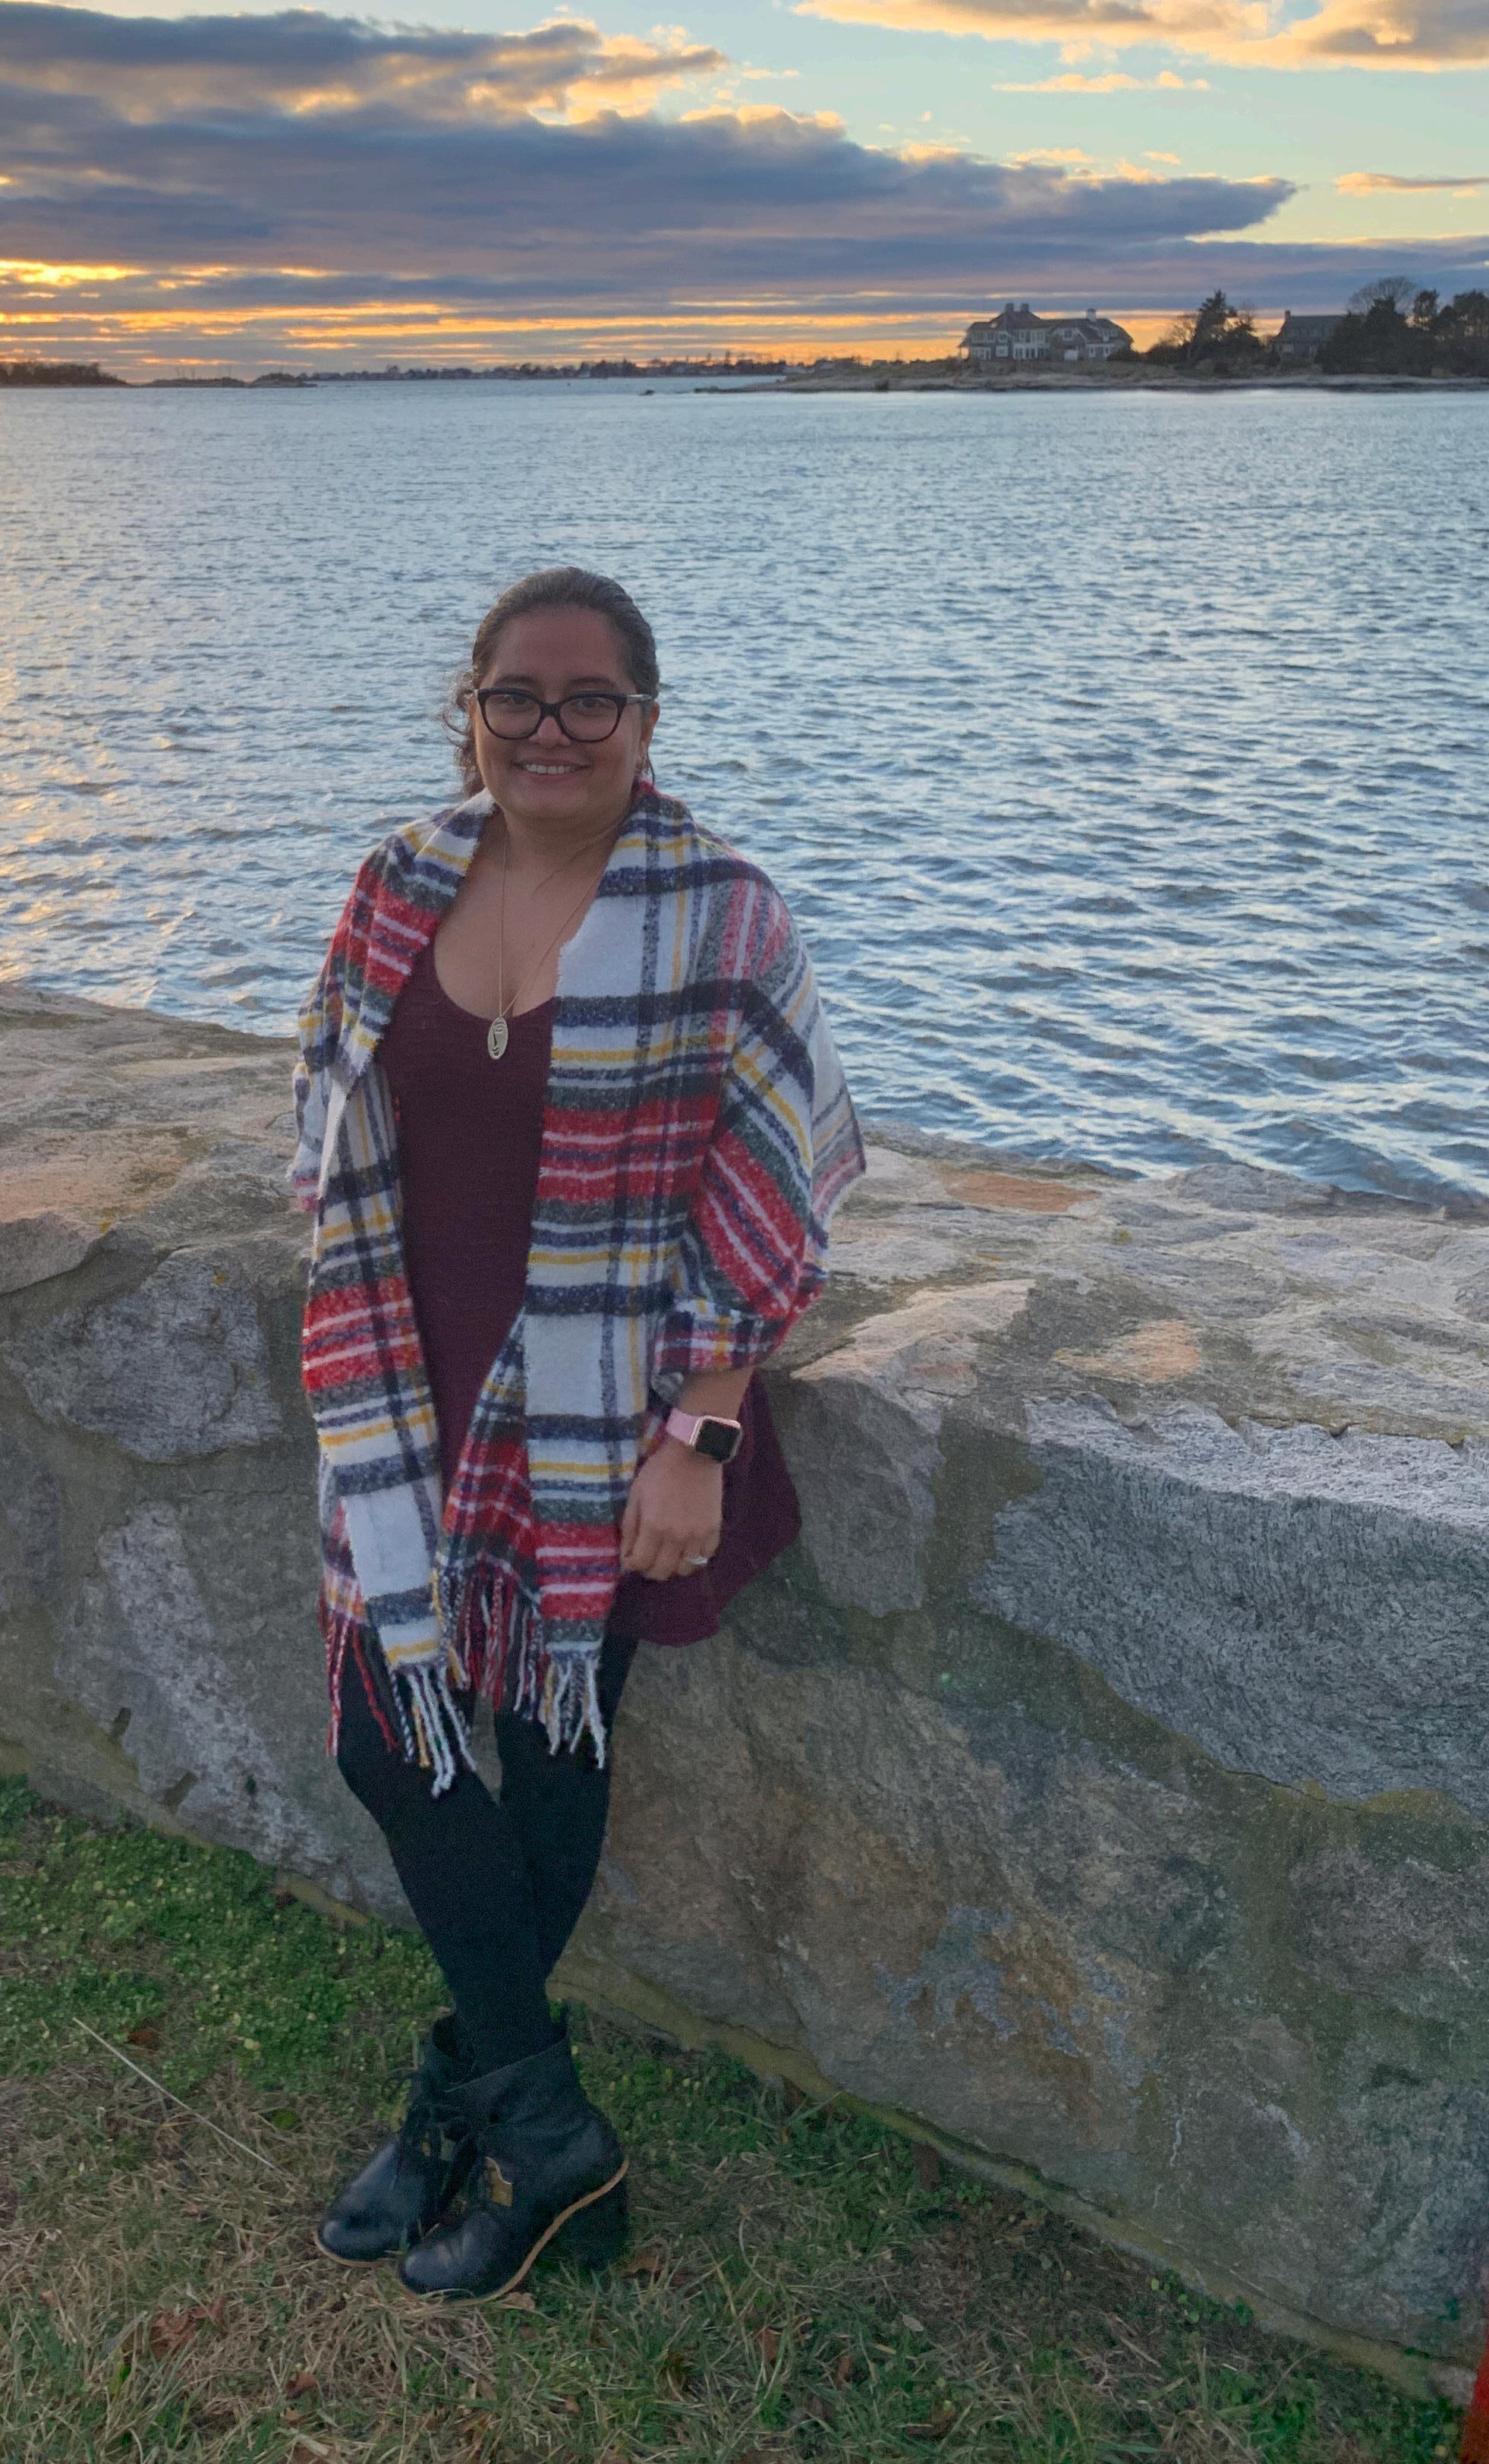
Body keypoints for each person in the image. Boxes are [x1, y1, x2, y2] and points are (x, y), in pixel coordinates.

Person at [290, 565, 863, 2306]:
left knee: (548, 1755)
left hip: (615, 1422)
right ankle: (542, 2134)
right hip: (405, 1390)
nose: (552, 729)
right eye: (518, 697)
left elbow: (781, 1186)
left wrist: (704, 1427)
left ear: (645, 719)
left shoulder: (720, 915)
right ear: (469, 710)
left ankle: (473, 2111)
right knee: (388, 1742)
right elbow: (328, 1116)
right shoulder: (397, 883)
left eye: (590, 698)